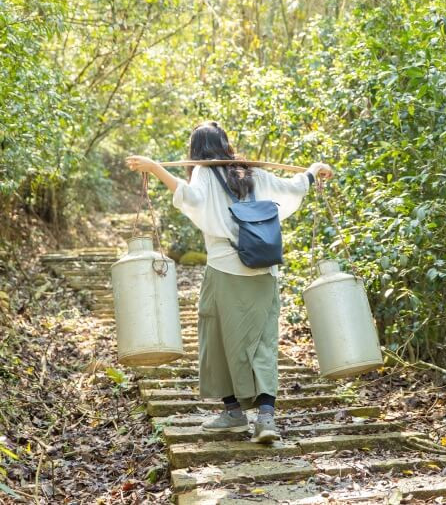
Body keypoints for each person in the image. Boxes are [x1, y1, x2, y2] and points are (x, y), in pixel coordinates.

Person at [126, 121, 332, 444]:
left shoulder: (205, 174)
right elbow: (292, 189)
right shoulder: (252, 172)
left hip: (223, 270)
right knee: (263, 342)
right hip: (263, 270)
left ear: (197, 151)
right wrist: (313, 170)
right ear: (226, 145)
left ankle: (234, 412)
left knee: (219, 339)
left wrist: (153, 168)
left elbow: (188, 197)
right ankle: (265, 418)